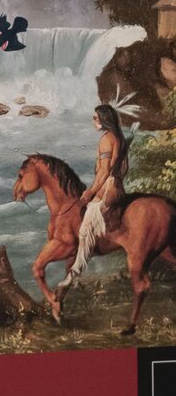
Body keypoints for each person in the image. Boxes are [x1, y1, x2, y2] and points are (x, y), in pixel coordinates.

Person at [57, 103, 129, 296]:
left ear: (104, 120)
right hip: (116, 185)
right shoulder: (118, 137)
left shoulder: (106, 140)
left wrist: (91, 192)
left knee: (84, 229)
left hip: (108, 189)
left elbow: (104, 172)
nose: (93, 121)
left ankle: (75, 272)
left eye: (95, 118)